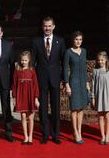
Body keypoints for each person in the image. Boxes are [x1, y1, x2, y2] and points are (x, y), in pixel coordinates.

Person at [32, 16, 66, 144]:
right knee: (43, 109)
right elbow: (33, 62)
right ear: (42, 27)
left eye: (49, 26)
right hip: (41, 79)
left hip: (55, 78)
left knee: (56, 108)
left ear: (53, 26)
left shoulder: (60, 41)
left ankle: (56, 134)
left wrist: (63, 79)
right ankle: (45, 134)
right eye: (45, 26)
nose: (47, 28)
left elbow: (64, 61)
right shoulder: (36, 41)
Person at [63, 31, 89, 144]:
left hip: (83, 82)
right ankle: (75, 132)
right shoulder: (68, 52)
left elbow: (85, 68)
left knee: (81, 108)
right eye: (76, 39)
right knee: (74, 109)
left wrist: (87, 82)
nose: (78, 41)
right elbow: (64, 69)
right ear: (73, 40)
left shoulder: (84, 51)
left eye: (80, 39)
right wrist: (67, 84)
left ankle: (79, 130)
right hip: (73, 82)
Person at [12, 51, 40, 145]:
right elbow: (14, 84)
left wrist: (36, 98)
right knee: (23, 116)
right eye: (22, 60)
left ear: (29, 60)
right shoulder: (17, 70)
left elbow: (35, 84)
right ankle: (25, 137)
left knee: (31, 118)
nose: (24, 62)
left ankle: (31, 136)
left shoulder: (32, 70)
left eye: (25, 60)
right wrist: (14, 98)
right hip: (21, 95)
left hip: (30, 95)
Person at [91, 51, 109, 145]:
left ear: (106, 60)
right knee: (100, 116)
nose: (100, 61)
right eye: (99, 60)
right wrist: (93, 97)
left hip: (108, 96)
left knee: (107, 116)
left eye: (102, 60)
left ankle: (108, 136)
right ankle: (102, 136)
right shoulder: (95, 71)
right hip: (98, 96)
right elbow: (93, 85)